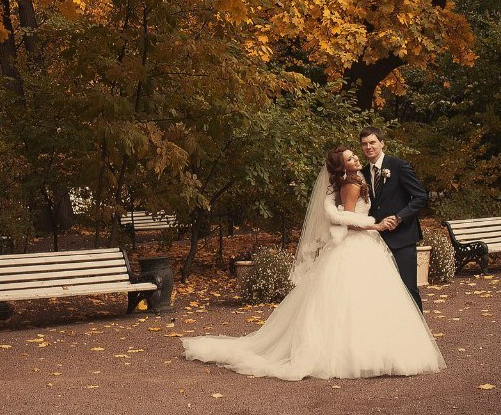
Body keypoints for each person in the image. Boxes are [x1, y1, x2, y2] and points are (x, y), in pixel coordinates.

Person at [181, 146, 445, 380]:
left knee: (364, 300)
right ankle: (362, 354)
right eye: (351, 157)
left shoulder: (355, 179)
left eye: (355, 154)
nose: (356, 157)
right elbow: (348, 219)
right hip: (357, 247)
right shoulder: (351, 184)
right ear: (343, 166)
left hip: (363, 246)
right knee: (356, 300)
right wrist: (374, 225)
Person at [360, 126, 429, 311]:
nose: (369, 147)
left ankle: (418, 333)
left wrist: (399, 217)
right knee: (383, 290)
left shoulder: (399, 166)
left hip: (403, 238)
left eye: (373, 142)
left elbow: (421, 197)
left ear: (382, 143)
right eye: (365, 144)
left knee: (408, 288)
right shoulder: (363, 173)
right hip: (376, 240)